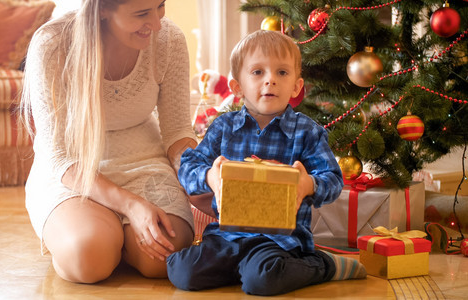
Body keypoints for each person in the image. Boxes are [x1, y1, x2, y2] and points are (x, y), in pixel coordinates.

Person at [167, 30, 367, 296]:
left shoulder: (307, 131)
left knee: (263, 280)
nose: (270, 80)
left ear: (296, 86)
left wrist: (308, 184)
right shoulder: (223, 127)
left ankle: (323, 265)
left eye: (282, 73)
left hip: (280, 240)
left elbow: (333, 179)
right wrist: (210, 178)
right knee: (181, 271)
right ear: (237, 87)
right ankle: (242, 267)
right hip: (226, 235)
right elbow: (189, 166)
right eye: (258, 72)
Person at [20, 0, 197, 284]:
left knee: (164, 259)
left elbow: (177, 132)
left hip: (145, 163)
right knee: (87, 257)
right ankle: (102, 235)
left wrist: (200, 175)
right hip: (76, 173)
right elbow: (60, 157)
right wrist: (132, 206)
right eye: (142, 14)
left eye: (161, 6)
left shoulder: (168, 39)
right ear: (102, 9)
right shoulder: (52, 45)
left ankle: (117, 240)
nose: (156, 24)